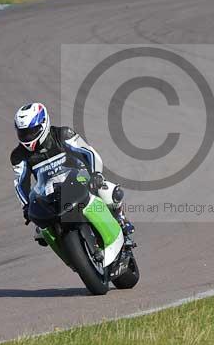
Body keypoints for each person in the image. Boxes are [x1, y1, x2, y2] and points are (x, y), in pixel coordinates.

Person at [10, 102, 134, 247]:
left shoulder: (63, 134)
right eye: (23, 133)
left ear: (44, 124)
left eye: (31, 131)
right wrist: (26, 206)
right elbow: (20, 183)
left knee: (109, 191)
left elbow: (89, 153)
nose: (27, 137)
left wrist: (95, 174)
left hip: (79, 176)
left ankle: (120, 218)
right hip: (50, 190)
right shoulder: (18, 156)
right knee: (41, 230)